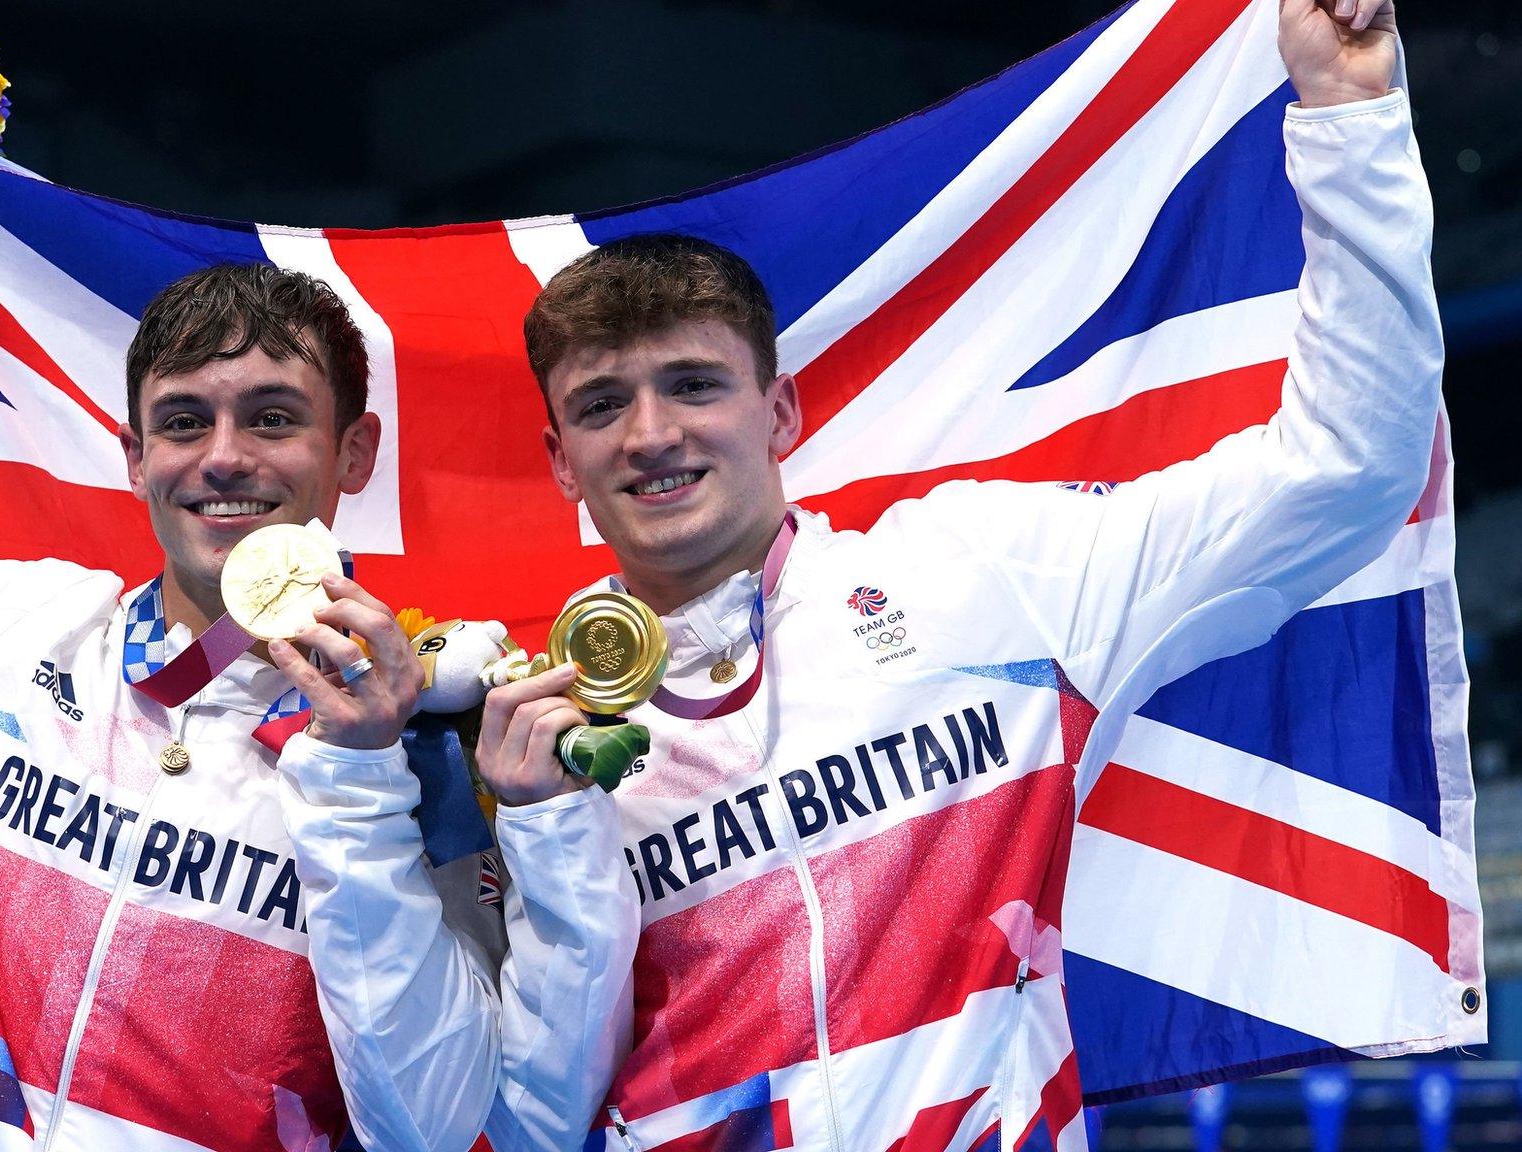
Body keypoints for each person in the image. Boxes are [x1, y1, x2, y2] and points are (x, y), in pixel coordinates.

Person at [476, 1, 1439, 1147]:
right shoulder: (532, 743)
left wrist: (1344, 115)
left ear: (778, 412)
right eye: (600, 406)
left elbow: (1340, 467)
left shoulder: (985, 575)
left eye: (692, 385)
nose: (649, 435)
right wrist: (533, 828)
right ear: (560, 464)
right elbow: (529, 1118)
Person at [0, 58, 635, 1152]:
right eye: (185, 421)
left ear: (353, 453)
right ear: (132, 455)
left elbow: (434, 1127)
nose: (224, 458)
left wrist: (352, 775)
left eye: (271, 417)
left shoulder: (427, 748)